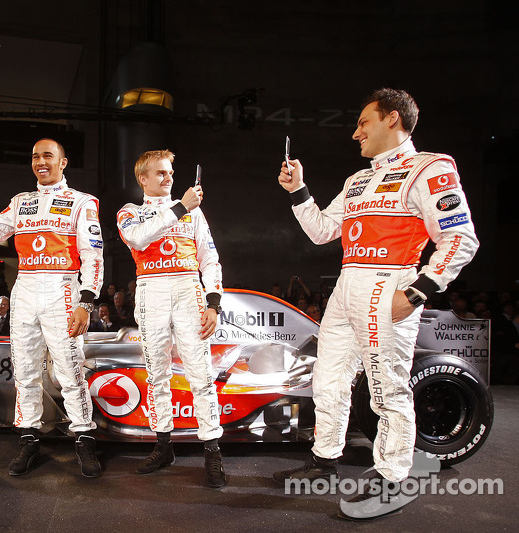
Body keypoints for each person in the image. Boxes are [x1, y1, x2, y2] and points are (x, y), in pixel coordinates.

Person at [273, 88, 479, 519]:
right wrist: (299, 190)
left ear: (392, 119)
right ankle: (325, 459)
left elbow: (460, 238)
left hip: (391, 284)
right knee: (327, 381)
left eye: (363, 122)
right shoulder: (358, 180)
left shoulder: (430, 168)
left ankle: (392, 474)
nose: (355, 133)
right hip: (347, 285)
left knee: (387, 388)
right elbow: (321, 230)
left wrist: (418, 289)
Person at [0, 138, 104, 478]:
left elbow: (93, 256)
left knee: (69, 370)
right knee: (25, 372)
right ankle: (28, 439)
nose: (40, 161)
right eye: (35, 156)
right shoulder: (20, 202)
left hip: (63, 288)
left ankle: (84, 439)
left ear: (63, 162)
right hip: (26, 287)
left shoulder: (82, 202)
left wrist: (87, 301)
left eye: (48, 156)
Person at [116, 149, 226, 488]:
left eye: (170, 173)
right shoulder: (130, 212)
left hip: (187, 288)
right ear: (143, 179)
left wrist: (214, 303)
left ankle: (212, 450)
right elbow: (137, 237)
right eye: (161, 173)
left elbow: (210, 259)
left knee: (201, 372)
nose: (169, 178)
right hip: (150, 290)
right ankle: (163, 445)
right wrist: (180, 207)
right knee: (156, 373)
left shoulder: (194, 213)